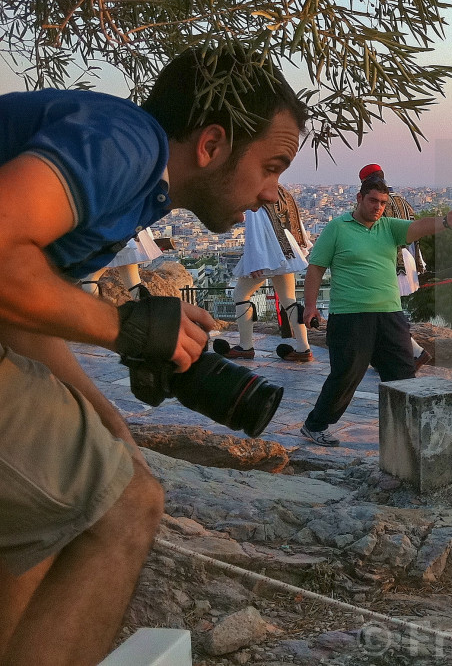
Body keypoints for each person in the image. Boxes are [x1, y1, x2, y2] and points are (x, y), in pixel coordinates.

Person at [0, 45, 305, 665]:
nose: (275, 193)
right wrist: (129, 329)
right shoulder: (128, 141)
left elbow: (19, 311)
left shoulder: (137, 187)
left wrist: (111, 426)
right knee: (126, 507)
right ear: (213, 144)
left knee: (60, 508)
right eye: (272, 166)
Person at [299, 176, 452, 446]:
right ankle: (315, 425)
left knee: (402, 373)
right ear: (359, 198)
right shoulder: (336, 228)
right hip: (350, 315)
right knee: (347, 374)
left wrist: (446, 222)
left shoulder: (389, 227)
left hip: (389, 314)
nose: (378, 207)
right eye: (373, 201)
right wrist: (310, 306)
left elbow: (418, 227)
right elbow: (316, 268)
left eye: (383, 202)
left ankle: (407, 431)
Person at [218, 184, 314, 362]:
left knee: (240, 294)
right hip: (287, 250)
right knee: (289, 301)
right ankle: (303, 348)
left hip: (268, 253)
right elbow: (295, 220)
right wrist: (300, 246)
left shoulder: (258, 191)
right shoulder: (282, 192)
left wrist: (255, 261)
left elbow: (254, 227)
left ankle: (245, 346)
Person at [358, 164, 432, 370]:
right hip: (407, 262)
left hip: (389, 263)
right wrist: (419, 265)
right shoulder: (402, 201)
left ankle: (416, 352)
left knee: (387, 314)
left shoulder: (376, 203)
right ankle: (406, 353)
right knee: (387, 313)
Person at [80, 228, 163, 299]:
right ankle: (147, 311)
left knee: (89, 280)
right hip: (130, 235)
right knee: (134, 284)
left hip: (112, 236)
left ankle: (95, 314)